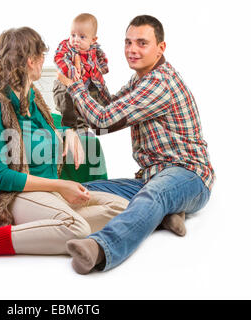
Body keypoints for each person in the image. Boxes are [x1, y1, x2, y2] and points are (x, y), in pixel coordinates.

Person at [0, 26, 133, 273]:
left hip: (49, 191)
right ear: (31, 61)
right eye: (42, 56)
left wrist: (69, 132)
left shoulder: (33, 97)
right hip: (13, 195)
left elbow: (41, 136)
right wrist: (60, 185)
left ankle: (59, 231)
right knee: (77, 227)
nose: (45, 61)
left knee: (124, 209)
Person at [58, 15, 215, 274]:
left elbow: (102, 121)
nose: (132, 50)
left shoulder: (159, 82)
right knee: (83, 189)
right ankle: (166, 215)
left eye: (142, 43)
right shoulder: (140, 80)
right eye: (128, 42)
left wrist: (75, 86)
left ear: (160, 48)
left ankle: (99, 248)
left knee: (156, 194)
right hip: (151, 177)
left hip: (190, 176)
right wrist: (89, 75)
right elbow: (108, 106)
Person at [53, 13, 111, 133]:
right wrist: (72, 69)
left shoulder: (95, 49)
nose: (76, 40)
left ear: (93, 40)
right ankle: (69, 128)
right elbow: (59, 58)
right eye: (73, 35)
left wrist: (102, 67)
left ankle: (84, 125)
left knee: (93, 100)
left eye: (82, 37)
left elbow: (102, 59)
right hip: (66, 85)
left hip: (87, 84)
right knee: (68, 105)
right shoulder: (66, 46)